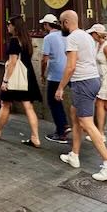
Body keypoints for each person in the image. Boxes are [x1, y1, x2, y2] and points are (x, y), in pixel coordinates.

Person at [55, 10, 107, 181]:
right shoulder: (85, 36)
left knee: (86, 123)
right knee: (75, 115)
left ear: (66, 22)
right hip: (91, 80)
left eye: (61, 23)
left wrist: (60, 88)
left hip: (83, 82)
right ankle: (74, 155)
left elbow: (70, 66)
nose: (61, 26)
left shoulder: (72, 38)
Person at [0, 15, 43, 147]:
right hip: (27, 77)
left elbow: (13, 63)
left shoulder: (15, 41)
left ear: (15, 26)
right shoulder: (26, 40)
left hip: (15, 78)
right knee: (28, 107)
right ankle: (35, 137)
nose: (7, 26)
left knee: (5, 104)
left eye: (9, 24)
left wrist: (5, 81)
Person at [39, 14, 70, 144]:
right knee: (58, 101)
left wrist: (42, 74)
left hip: (55, 74)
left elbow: (44, 59)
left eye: (44, 25)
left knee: (53, 102)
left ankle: (61, 132)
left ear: (47, 25)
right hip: (68, 73)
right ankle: (64, 124)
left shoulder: (48, 38)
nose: (43, 27)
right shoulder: (65, 36)